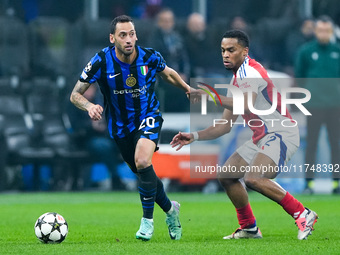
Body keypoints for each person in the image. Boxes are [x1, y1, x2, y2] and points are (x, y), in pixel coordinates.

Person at [171, 30, 318, 240]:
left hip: (281, 132)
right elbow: (224, 126)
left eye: (231, 50)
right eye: (223, 50)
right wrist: (194, 136)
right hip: (262, 137)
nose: (225, 55)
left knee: (254, 178)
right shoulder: (236, 81)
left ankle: (302, 213)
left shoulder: (250, 71)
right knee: (227, 175)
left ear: (244, 51)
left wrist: (210, 95)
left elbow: (246, 103)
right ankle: (249, 227)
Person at [70, 15, 191, 241]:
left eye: (132, 34)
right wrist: (88, 106)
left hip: (148, 116)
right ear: (112, 38)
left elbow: (168, 73)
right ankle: (171, 209)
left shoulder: (149, 56)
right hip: (120, 127)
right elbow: (75, 94)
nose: (128, 39)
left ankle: (147, 222)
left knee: (143, 161)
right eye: (123, 35)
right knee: (144, 175)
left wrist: (186, 87)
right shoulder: (100, 61)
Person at [295, 16, 340, 194]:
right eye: (320, 30)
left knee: (336, 144)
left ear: (331, 32)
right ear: (315, 31)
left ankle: (336, 182)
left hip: (335, 105)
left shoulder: (337, 50)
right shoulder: (306, 51)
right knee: (311, 143)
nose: (323, 34)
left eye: (326, 31)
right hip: (313, 105)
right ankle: (309, 183)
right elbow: (300, 76)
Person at [148, 8, 190, 112]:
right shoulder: (154, 39)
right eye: (164, 21)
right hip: (163, 75)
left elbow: (184, 59)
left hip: (180, 74)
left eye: (170, 21)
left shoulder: (177, 37)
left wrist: (185, 73)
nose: (167, 23)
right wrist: (174, 75)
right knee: (178, 89)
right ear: (159, 23)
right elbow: (156, 61)